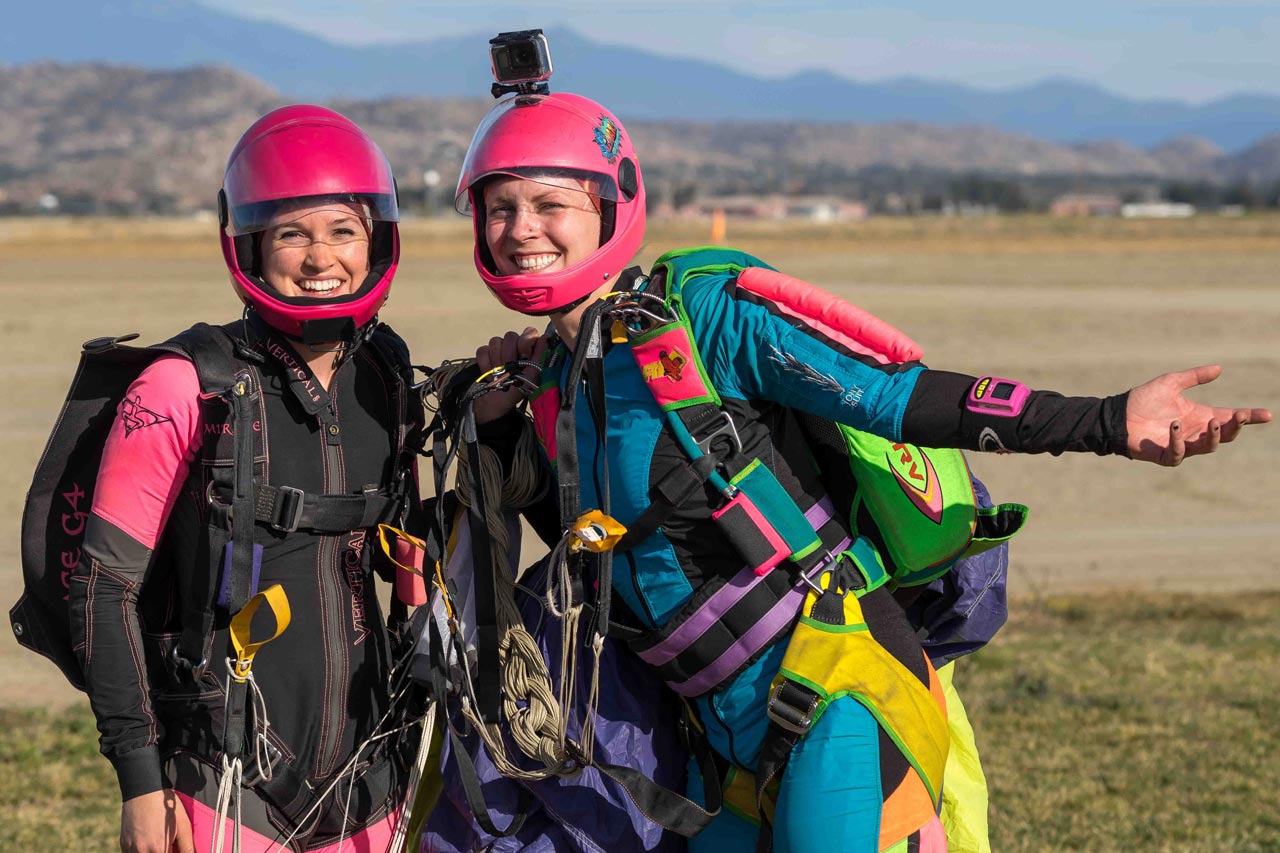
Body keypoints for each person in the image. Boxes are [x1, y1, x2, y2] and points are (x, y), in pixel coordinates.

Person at [434, 90, 1271, 852]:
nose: (521, 229)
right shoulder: (546, 381)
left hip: (836, 684)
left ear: (612, 204)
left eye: (550, 204)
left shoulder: (707, 318)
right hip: (717, 732)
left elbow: (903, 398)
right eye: (500, 207)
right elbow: (610, 555)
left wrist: (1107, 419)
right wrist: (498, 434)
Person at [67, 105, 427, 853]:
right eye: (292, 232)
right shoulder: (183, 386)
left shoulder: (387, 374)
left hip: (372, 774)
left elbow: (408, 552)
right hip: (223, 787)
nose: (320, 256)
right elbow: (105, 588)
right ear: (252, 246)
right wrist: (140, 778)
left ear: (376, 240)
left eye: (342, 230)